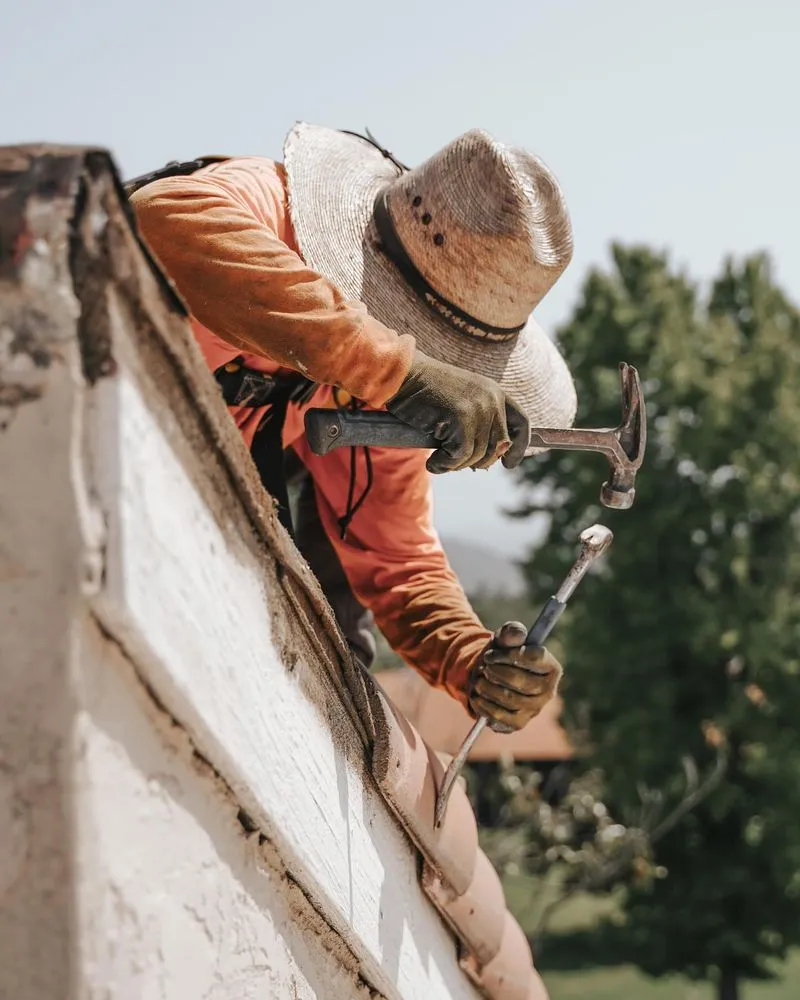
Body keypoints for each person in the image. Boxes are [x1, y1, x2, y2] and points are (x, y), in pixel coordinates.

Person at [127, 123, 576, 734]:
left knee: (325, 623)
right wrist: (398, 369)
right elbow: (158, 219)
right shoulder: (262, 205)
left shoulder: (369, 398)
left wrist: (472, 661)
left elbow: (396, 557)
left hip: (146, 533)